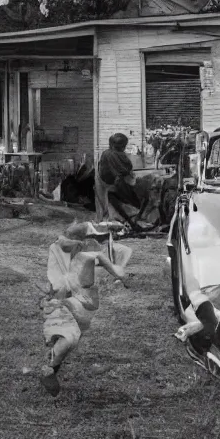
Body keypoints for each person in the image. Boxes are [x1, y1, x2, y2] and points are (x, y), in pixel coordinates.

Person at [38, 221, 131, 396]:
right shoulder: (84, 252)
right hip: (71, 302)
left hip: (77, 303)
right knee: (69, 337)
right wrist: (122, 273)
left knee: (69, 337)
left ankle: (51, 368)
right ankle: (49, 370)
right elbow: (120, 271)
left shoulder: (61, 247)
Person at [99, 133, 150, 228]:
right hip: (112, 184)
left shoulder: (113, 153)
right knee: (137, 196)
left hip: (116, 182)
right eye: (123, 146)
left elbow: (127, 167)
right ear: (118, 146)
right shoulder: (111, 154)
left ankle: (135, 216)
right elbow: (124, 170)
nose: (124, 148)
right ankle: (134, 218)